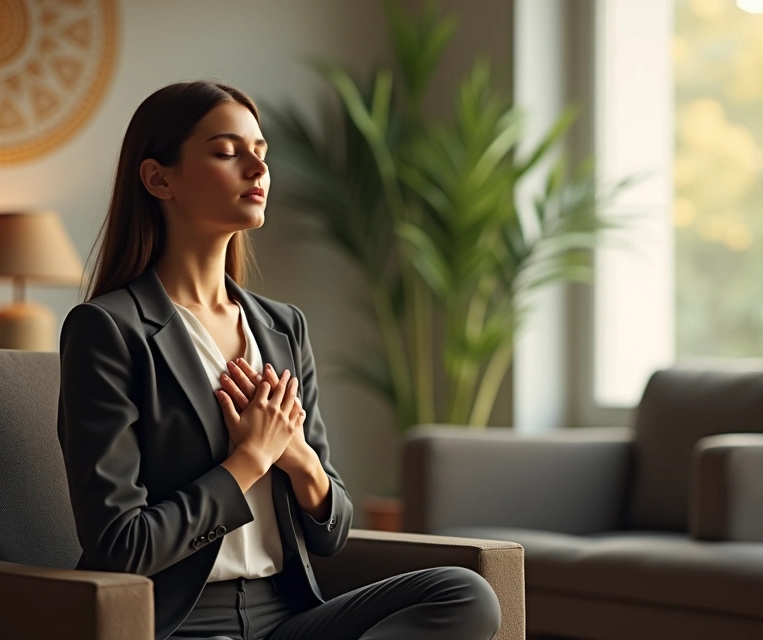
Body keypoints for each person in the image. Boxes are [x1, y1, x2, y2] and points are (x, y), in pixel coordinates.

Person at [56, 81, 501, 640]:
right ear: (158, 178)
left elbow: (332, 533)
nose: (257, 168)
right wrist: (250, 459)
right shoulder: (109, 330)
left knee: (466, 595)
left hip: (286, 616)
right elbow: (120, 548)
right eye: (227, 152)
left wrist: (299, 459)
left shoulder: (283, 327)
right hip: (182, 625)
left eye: (260, 152)